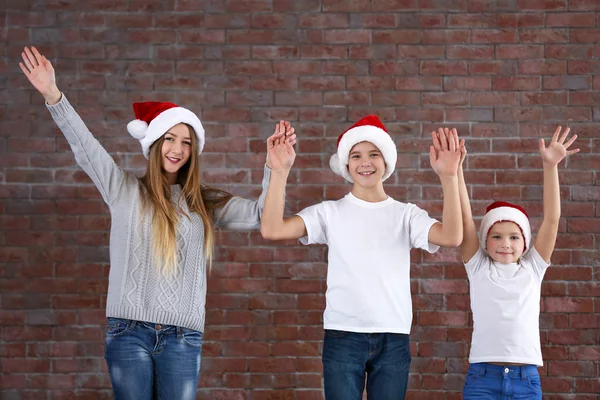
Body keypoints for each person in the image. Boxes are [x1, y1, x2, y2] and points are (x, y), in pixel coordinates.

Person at [19, 46, 296, 400]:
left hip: (182, 336)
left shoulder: (203, 202)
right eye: (169, 138)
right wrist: (53, 95)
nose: (177, 149)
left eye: (186, 142)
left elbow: (262, 215)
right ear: (154, 143)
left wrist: (276, 169)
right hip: (127, 333)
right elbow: (84, 145)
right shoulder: (123, 190)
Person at [260, 116, 463, 399]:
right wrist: (279, 171)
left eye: (373, 154)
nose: (365, 162)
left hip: (393, 335)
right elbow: (272, 229)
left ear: (387, 161)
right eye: (356, 155)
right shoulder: (329, 213)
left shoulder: (405, 215)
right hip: (342, 335)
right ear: (346, 165)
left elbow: (452, 236)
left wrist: (449, 176)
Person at [454, 126, 579, 399]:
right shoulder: (478, 267)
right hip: (482, 378)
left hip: (526, 380)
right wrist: (457, 171)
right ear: (485, 241)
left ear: (525, 243)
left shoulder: (533, 268)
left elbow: (552, 219)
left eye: (514, 237)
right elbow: (464, 220)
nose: (505, 244)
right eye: (496, 236)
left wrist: (550, 166)